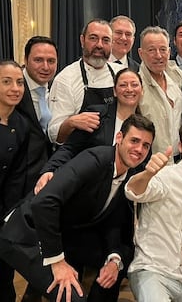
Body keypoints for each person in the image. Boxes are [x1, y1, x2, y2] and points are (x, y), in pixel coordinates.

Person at [0, 114, 154, 302]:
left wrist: (114, 260)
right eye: (135, 141)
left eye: (146, 145)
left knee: (114, 268)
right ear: (119, 138)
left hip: (64, 232)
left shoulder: (132, 175)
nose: (139, 149)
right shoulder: (94, 160)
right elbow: (44, 202)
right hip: (26, 234)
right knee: (72, 296)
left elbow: (115, 223)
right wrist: (57, 262)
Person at [125, 117, 182, 302]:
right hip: (152, 269)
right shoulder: (165, 175)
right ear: (180, 146)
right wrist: (148, 173)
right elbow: (133, 191)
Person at [35, 68, 144, 194]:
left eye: (134, 85)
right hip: (88, 190)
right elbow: (70, 148)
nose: (129, 89)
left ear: (142, 90)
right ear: (114, 91)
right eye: (123, 85)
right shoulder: (96, 116)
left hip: (123, 195)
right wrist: (49, 170)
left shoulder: (144, 127)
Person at [48, 18, 124, 144]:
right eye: (93, 38)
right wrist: (71, 122)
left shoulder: (121, 74)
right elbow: (54, 135)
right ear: (82, 40)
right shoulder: (66, 79)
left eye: (105, 40)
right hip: (82, 157)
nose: (99, 45)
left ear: (112, 44)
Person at [0, 60, 30, 302]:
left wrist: (9, 216)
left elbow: (16, 178)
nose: (15, 88)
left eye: (19, 82)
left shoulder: (20, 124)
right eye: (6, 82)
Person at [16, 36, 58, 195]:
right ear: (25, 60)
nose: (45, 67)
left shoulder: (58, 87)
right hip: (15, 179)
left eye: (51, 61)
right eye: (38, 60)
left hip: (45, 177)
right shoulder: (13, 87)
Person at [138, 25, 182, 162]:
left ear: (169, 52)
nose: (158, 55)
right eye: (152, 50)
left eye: (163, 49)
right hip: (153, 162)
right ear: (141, 53)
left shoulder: (175, 74)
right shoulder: (136, 85)